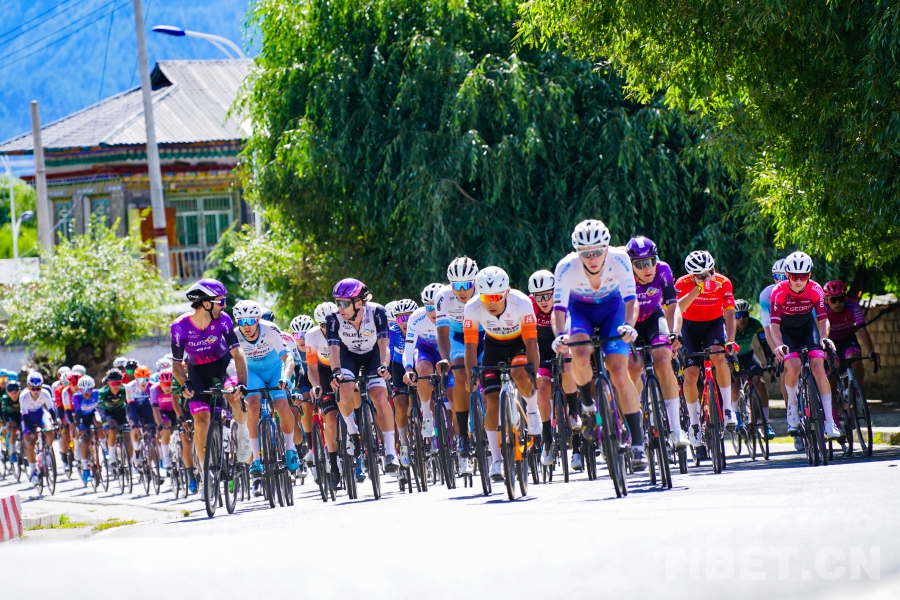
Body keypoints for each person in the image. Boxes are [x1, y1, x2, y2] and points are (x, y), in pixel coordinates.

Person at [552, 220, 647, 470]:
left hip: (613, 310)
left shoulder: (620, 258)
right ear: (577, 252)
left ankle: (638, 442)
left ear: (606, 248)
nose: (592, 258)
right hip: (579, 311)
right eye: (586, 253)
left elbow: (631, 301)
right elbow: (558, 309)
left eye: (597, 251)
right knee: (580, 352)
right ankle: (587, 405)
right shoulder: (566, 266)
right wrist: (559, 335)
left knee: (619, 371)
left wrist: (629, 325)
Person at [463, 266, 541, 482]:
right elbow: (470, 347)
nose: (490, 303)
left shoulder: (521, 303)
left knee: (520, 374)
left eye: (496, 297)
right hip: (493, 347)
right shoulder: (472, 307)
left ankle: (532, 410)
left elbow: (531, 342)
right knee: (492, 402)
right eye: (485, 298)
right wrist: (471, 376)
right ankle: (496, 460)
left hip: (519, 344)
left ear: (506, 292)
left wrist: (534, 373)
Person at [171, 279, 248, 493]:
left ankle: (243, 434)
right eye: (220, 301)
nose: (224, 305)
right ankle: (205, 474)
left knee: (233, 394)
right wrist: (185, 383)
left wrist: (242, 382)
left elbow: (237, 354)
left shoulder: (224, 320)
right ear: (206, 303)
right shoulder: (179, 327)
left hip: (223, 364)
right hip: (197, 371)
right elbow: (176, 366)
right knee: (201, 420)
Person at [326, 278, 395, 481]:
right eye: (337, 302)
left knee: (379, 397)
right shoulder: (333, 319)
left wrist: (384, 365)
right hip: (348, 356)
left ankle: (391, 452)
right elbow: (333, 349)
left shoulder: (377, 312)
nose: (340, 308)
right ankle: (353, 431)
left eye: (344, 303)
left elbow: (384, 344)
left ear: (358, 303)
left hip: (373, 354)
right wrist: (336, 372)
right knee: (343, 389)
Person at [769, 252, 842, 441]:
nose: (799, 281)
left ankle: (829, 422)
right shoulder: (778, 291)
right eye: (794, 277)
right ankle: (792, 407)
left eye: (803, 276)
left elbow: (822, 319)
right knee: (793, 366)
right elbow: (774, 325)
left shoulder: (816, 289)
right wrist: (779, 345)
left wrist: (824, 339)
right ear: (787, 275)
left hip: (807, 328)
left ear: (809, 275)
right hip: (786, 330)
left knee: (818, 367)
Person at [624, 236, 687, 448]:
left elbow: (673, 307)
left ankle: (676, 430)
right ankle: (635, 419)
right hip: (629, 322)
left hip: (653, 318)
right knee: (633, 367)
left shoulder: (663, 270)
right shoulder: (623, 276)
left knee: (663, 360)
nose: (647, 268)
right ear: (630, 265)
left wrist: (674, 333)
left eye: (650, 261)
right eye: (640, 264)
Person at [232, 300, 300, 492]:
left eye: (250, 321)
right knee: (253, 405)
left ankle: (289, 449)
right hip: (253, 373)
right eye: (241, 321)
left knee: (281, 405)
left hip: (275, 370)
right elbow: (230, 363)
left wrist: (286, 378)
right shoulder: (235, 335)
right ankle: (257, 459)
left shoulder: (270, 329)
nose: (246, 326)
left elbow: (288, 358)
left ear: (258, 319)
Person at [675, 250, 740, 447]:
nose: (708, 278)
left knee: (719, 358)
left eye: (710, 272)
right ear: (692, 276)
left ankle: (728, 410)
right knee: (691, 375)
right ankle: (694, 424)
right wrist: (699, 289)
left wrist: (730, 341)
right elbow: (678, 309)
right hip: (689, 327)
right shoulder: (682, 283)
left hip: (713, 324)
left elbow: (730, 314)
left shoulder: (724, 282)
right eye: (701, 276)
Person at [528, 269, 582, 468]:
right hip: (542, 351)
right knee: (542, 390)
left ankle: (574, 414)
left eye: (547, 295)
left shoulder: (562, 300)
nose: (543, 301)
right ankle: (547, 442)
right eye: (538, 296)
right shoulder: (530, 305)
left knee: (567, 366)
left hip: (562, 343)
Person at [435, 256, 483, 463]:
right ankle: (463, 435)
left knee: (489, 375)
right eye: (457, 286)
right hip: (458, 337)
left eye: (467, 285)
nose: (462, 291)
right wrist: (446, 360)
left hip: (483, 334)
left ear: (475, 282)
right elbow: (443, 334)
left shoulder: (484, 290)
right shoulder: (443, 297)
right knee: (460, 374)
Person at [402, 285, 445, 460]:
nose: (433, 312)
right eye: (429, 307)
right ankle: (427, 415)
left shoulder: (453, 314)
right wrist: (408, 369)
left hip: (446, 350)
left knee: (452, 394)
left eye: (437, 307)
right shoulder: (416, 318)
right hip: (426, 350)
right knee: (423, 370)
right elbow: (409, 348)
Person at [306, 301, 341, 489]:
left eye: (330, 324)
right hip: (323, 372)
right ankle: (334, 466)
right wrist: (316, 386)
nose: (327, 328)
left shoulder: (344, 328)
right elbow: (311, 368)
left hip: (343, 367)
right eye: (322, 325)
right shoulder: (311, 335)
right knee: (331, 418)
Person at [823, 280, 880, 389]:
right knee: (831, 381)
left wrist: (871, 351)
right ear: (826, 300)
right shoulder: (822, 309)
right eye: (833, 300)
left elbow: (861, 327)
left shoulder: (852, 305)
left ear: (845, 298)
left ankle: (857, 394)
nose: (837, 303)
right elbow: (822, 330)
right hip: (829, 341)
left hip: (847, 340)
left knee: (856, 359)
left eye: (840, 299)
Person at [732, 299, 776, 439]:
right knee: (735, 384)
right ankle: (737, 417)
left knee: (760, 383)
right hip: (732, 358)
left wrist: (770, 362)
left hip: (748, 356)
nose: (742, 319)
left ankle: (766, 424)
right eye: (738, 315)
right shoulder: (728, 326)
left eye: (745, 314)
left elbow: (765, 344)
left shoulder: (755, 323)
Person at [388, 298, 417, 476]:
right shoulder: (392, 332)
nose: (405, 322)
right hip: (398, 367)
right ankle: (404, 444)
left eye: (409, 317)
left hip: (418, 363)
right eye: (401, 318)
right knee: (400, 404)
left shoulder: (420, 326)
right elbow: (387, 355)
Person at [288, 315, 316, 478]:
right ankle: (311, 445)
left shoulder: (317, 341)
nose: (302, 339)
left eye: (305, 334)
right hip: (303, 379)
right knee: (305, 402)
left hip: (319, 375)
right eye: (297, 335)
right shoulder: (292, 348)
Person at [20, 372, 57, 485]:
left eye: (38, 388)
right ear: (28, 387)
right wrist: (31, 429)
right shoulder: (23, 396)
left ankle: (48, 453)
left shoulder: (45, 393)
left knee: (50, 431)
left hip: (40, 415)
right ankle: (33, 472)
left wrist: (55, 423)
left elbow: (51, 409)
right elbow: (24, 415)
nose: (36, 391)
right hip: (28, 418)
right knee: (31, 444)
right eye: (33, 388)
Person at [97, 368, 133, 480]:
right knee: (112, 429)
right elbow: (101, 408)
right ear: (108, 382)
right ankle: (112, 457)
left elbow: (131, 404)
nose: (116, 386)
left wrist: (132, 419)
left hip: (122, 412)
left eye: (118, 383)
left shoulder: (125, 388)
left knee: (128, 438)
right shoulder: (103, 392)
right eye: (113, 383)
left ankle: (131, 462)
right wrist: (104, 423)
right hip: (109, 413)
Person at [150, 368, 183, 473]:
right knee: (166, 424)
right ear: (160, 383)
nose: (168, 387)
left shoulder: (177, 386)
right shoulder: (154, 389)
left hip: (175, 410)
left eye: (170, 384)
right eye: (164, 384)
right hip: (162, 411)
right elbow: (155, 408)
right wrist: (160, 424)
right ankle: (165, 457)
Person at [125, 365, 156, 468]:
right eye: (140, 379)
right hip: (134, 408)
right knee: (135, 426)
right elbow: (131, 405)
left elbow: (154, 406)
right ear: (136, 379)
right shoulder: (130, 387)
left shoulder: (153, 386)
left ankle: (151, 455)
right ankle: (137, 449)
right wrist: (135, 422)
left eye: (146, 379)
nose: (143, 382)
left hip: (147, 408)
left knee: (152, 431)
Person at [72, 375, 101, 484]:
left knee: (99, 422)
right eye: (84, 390)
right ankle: (85, 469)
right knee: (86, 441)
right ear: (80, 389)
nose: (86, 392)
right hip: (82, 419)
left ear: (92, 389)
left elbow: (101, 408)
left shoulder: (97, 393)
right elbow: (78, 412)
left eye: (89, 389)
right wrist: (80, 426)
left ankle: (104, 447)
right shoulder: (77, 397)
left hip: (93, 416)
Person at [1, 381, 22, 465]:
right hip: (10, 415)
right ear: (7, 393)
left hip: (19, 414)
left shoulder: (22, 395)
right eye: (11, 393)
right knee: (12, 429)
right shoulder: (5, 398)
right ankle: (12, 452)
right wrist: (7, 422)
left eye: (16, 392)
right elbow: (4, 412)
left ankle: (24, 450)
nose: (14, 395)